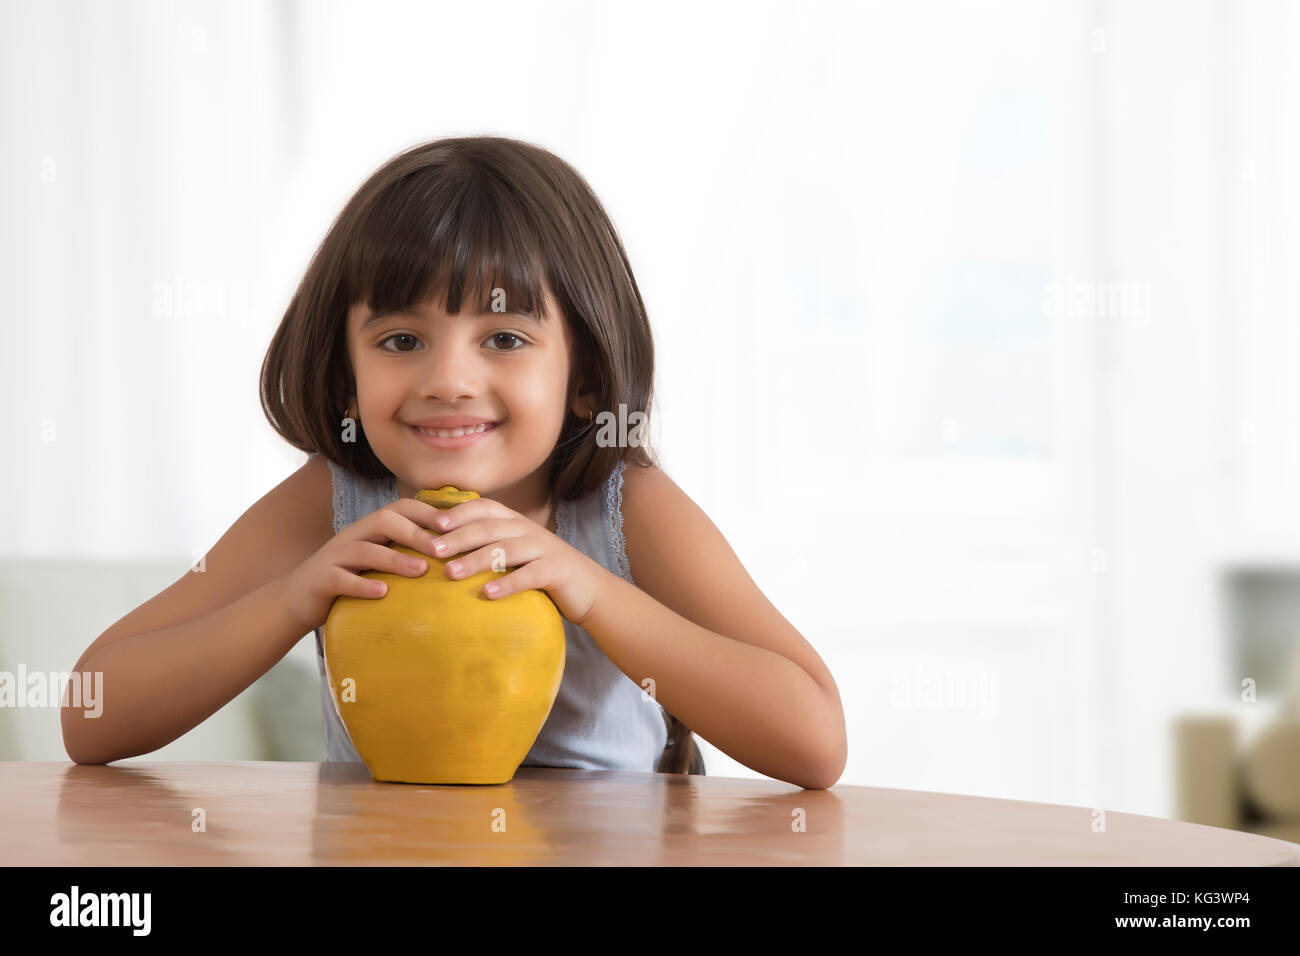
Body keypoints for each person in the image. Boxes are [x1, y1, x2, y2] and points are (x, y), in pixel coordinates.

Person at [62, 136, 847, 789]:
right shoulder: (336, 503)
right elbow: (90, 715)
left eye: (504, 339)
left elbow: (813, 742)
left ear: (587, 379)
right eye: (401, 341)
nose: (446, 382)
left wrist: (590, 588)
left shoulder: (622, 507)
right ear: (345, 374)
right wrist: (293, 598)